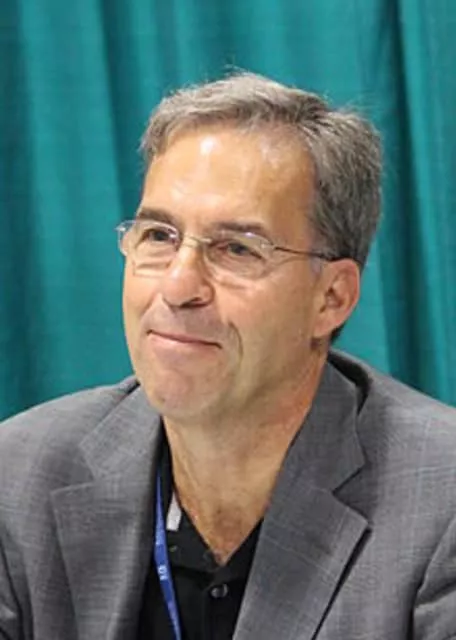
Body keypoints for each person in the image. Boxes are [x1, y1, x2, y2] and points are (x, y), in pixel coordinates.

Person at [1, 72, 456, 640]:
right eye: (158, 236)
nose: (177, 287)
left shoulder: (440, 503)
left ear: (331, 298)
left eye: (237, 249)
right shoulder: (19, 476)